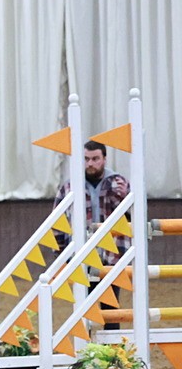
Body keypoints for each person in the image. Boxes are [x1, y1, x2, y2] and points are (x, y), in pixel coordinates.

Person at [53, 140, 130, 328]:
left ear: (104, 159)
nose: (90, 164)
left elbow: (131, 217)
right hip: (80, 256)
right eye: (86, 159)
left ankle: (112, 352)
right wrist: (62, 254)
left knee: (111, 310)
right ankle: (85, 351)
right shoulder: (69, 187)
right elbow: (58, 221)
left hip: (111, 257)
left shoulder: (119, 183)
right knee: (82, 309)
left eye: (95, 159)